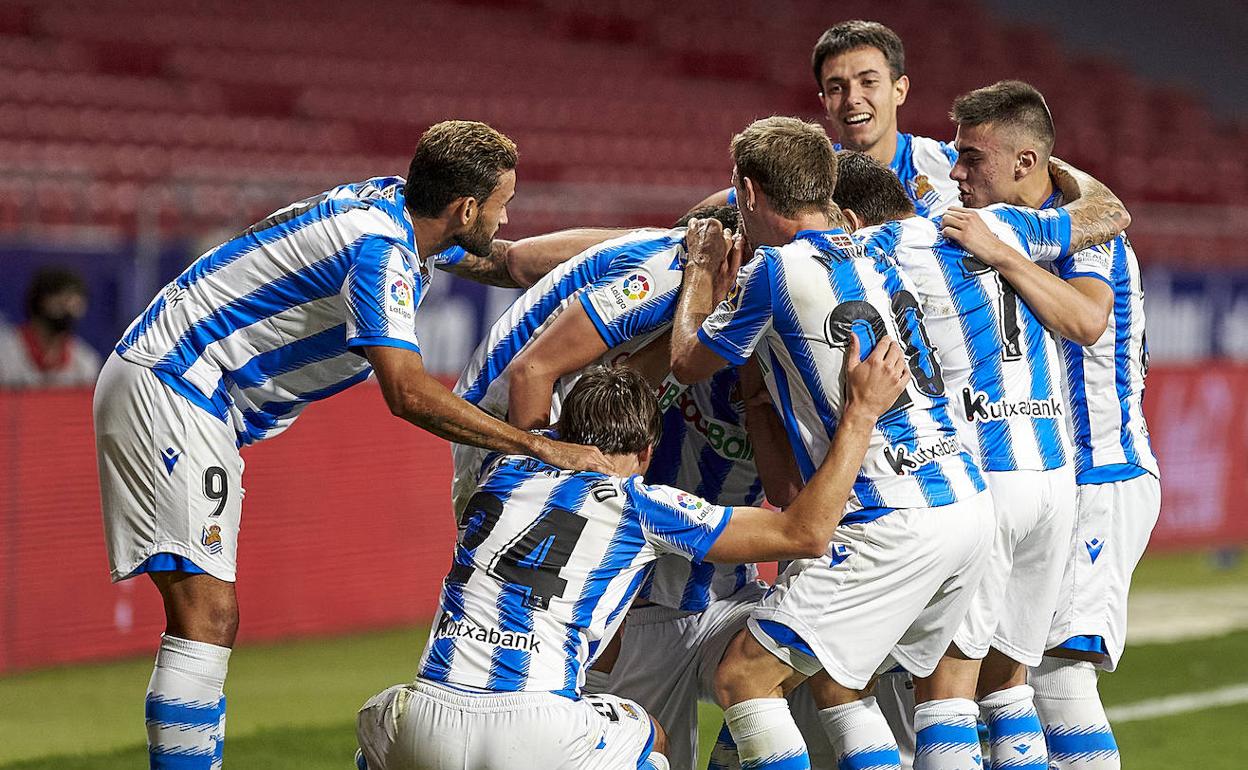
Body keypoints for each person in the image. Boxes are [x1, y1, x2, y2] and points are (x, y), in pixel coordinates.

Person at [93, 120, 613, 770]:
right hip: (175, 384)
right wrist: (537, 447)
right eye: (502, 204)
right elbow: (408, 392)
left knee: (207, 614)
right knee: (206, 614)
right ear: (465, 208)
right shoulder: (379, 249)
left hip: (190, 394)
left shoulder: (398, 213)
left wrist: (646, 245)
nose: (507, 216)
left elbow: (512, 262)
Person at [356, 351, 909, 770]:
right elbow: (804, 532)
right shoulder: (638, 504)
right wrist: (860, 414)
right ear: (647, 452)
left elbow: (533, 376)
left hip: (423, 717)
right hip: (536, 721)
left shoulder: (503, 470)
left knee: (378, 735)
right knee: (652, 738)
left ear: (563, 432)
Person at [669, 116, 993, 770]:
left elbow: (685, 362)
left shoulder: (773, 271)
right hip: (964, 501)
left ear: (749, 192)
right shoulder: (880, 243)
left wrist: (700, 271)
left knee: (744, 677)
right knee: (840, 682)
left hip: (890, 516)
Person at [832, 149, 1131, 770]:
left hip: (984, 481)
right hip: (1052, 478)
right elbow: (1106, 211)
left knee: (946, 691)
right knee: (1009, 686)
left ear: (850, 218)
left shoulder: (868, 254)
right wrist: (1060, 168)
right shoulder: (1001, 225)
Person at [942, 80, 1159, 770]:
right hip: (1049, 479)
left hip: (1101, 474)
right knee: (1003, 677)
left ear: (1026, 162)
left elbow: (1087, 320)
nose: (958, 172)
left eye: (973, 158)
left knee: (1058, 679)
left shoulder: (1087, 238)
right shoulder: (1018, 226)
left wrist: (1001, 254)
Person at [450, 206, 739, 518]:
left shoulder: (698, 299)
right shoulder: (661, 275)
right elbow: (531, 371)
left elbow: (624, 377)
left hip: (551, 424)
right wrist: (535, 484)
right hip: (505, 418)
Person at [698, 20, 959, 220]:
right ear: (824, 102)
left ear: (899, 90)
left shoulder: (951, 166)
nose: (852, 99)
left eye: (868, 82)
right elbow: (714, 206)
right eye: (836, 88)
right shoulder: (803, 175)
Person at [0, 267, 101, 388]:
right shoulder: (5, 353)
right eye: (61, 298)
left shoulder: (85, 362)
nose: (68, 307)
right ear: (40, 301)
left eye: (75, 301)